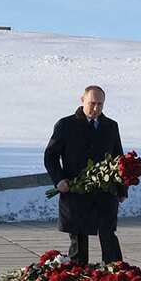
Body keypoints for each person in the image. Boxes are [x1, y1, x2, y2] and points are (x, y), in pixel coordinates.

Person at [44, 85, 127, 265]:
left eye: (100, 104)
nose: (96, 108)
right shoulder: (66, 125)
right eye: (92, 103)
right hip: (76, 190)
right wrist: (59, 180)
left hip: (105, 190)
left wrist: (122, 190)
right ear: (82, 100)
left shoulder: (111, 126)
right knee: (79, 236)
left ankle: (116, 273)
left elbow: (118, 159)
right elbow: (50, 156)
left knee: (108, 233)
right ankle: (79, 275)